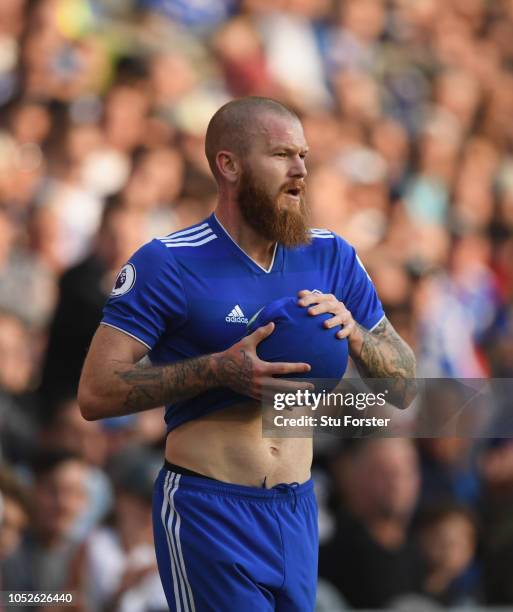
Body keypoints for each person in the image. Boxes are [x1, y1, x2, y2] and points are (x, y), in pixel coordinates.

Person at [78, 96, 416, 612]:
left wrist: (357, 336)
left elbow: (405, 387)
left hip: (298, 510)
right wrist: (217, 371)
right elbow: (96, 392)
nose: (301, 169)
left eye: (303, 155)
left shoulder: (333, 256)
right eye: (282, 154)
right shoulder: (168, 262)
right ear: (228, 165)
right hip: (209, 510)